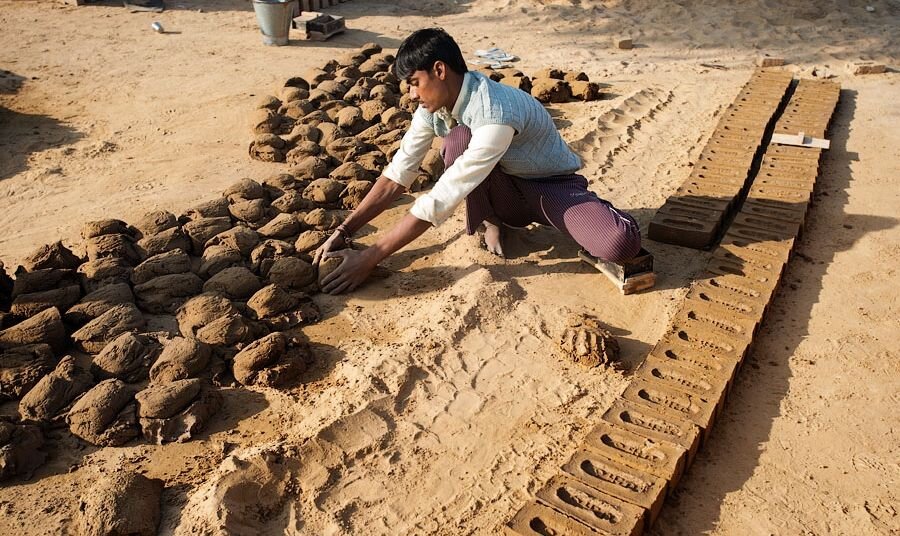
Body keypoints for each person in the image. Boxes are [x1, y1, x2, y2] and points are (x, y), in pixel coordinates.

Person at [314, 28, 641, 295]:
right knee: (457, 140)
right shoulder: (432, 109)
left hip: (548, 186)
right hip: (505, 188)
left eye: (414, 83)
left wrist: (370, 257)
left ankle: (600, 212)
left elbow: (444, 195)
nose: (412, 95)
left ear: (439, 70)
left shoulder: (495, 111)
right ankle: (493, 219)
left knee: (618, 243)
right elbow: (398, 175)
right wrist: (345, 230)